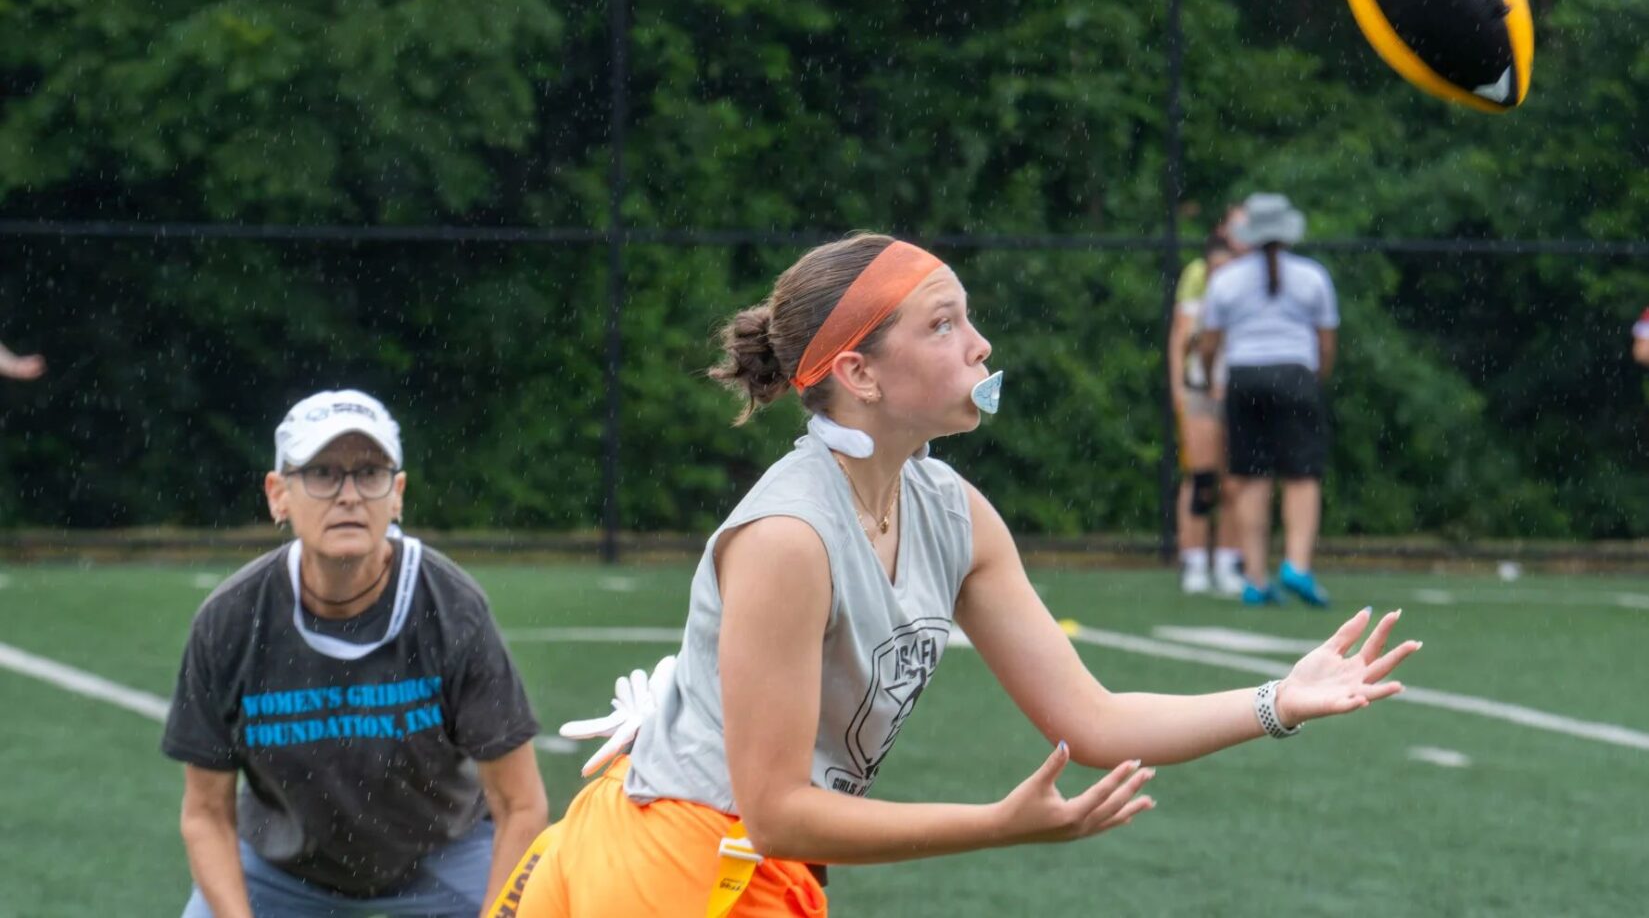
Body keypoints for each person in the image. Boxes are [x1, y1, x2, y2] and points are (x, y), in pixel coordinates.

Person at [489, 233, 1416, 918]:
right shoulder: (787, 537)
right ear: (859, 373)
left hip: (742, 863)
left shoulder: (952, 512)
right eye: (943, 324)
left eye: (966, 319)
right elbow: (775, 814)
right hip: (678, 866)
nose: (979, 345)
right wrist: (998, 823)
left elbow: (1092, 721)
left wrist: (1277, 701)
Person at [163, 389, 548, 918]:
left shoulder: (452, 607)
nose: (349, 495)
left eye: (369, 473)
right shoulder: (229, 621)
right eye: (322, 473)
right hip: (282, 869)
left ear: (397, 495)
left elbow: (521, 804)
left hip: (441, 854)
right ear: (278, 495)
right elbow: (205, 813)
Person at [1200, 194, 1339, 607]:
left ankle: (1255, 578)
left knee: (1252, 477)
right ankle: (1297, 564)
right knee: (1301, 476)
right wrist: (1314, 380)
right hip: (1295, 375)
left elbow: (1209, 344)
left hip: (1243, 378)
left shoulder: (1225, 280)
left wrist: (1211, 379)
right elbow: (1326, 343)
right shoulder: (1313, 277)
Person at [1167, 230, 1244, 595]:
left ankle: (1228, 561)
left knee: (1235, 481)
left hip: (1237, 394)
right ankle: (1194, 561)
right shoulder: (1198, 305)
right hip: (1201, 393)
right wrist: (1179, 390)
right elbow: (1181, 343)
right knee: (1202, 479)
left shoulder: (1245, 303)